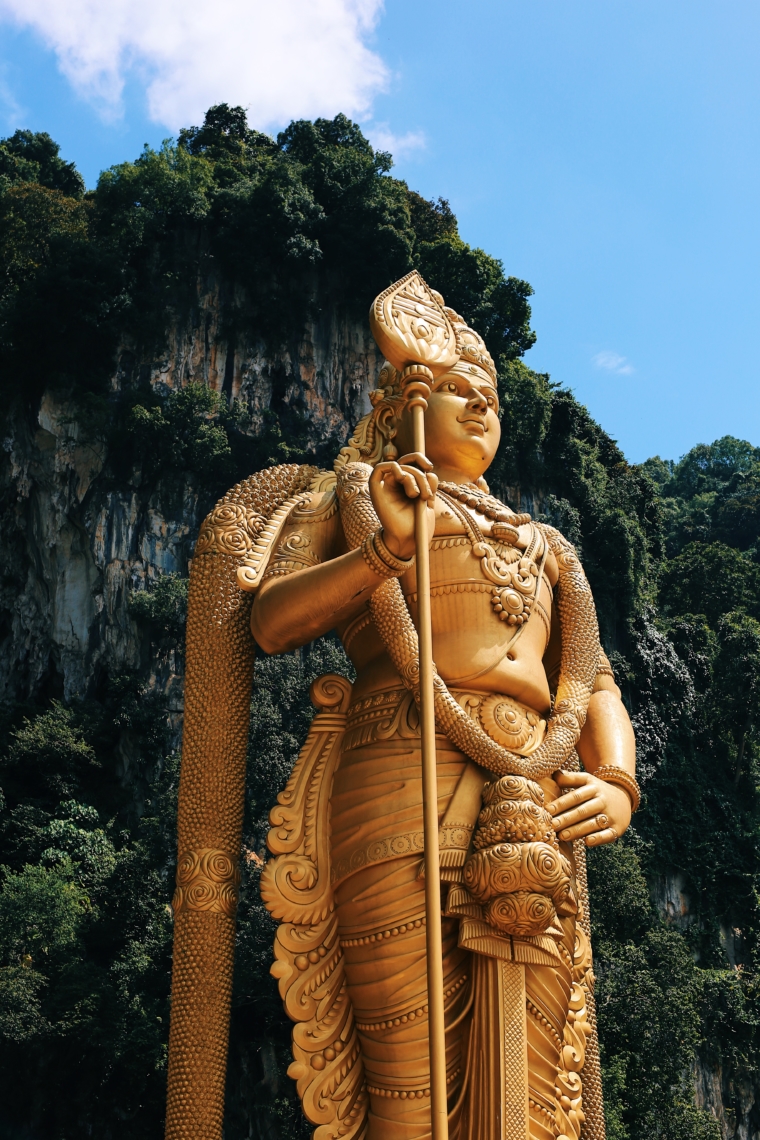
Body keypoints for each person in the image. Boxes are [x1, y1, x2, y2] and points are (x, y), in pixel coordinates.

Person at [252, 296, 638, 1140]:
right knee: (411, 1078)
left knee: (532, 1091)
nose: (481, 406)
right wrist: (384, 551)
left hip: (533, 798)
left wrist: (617, 781)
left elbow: (594, 677)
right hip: (400, 768)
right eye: (459, 388)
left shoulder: (547, 546)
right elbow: (272, 621)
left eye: (492, 397)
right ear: (401, 407)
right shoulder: (358, 495)